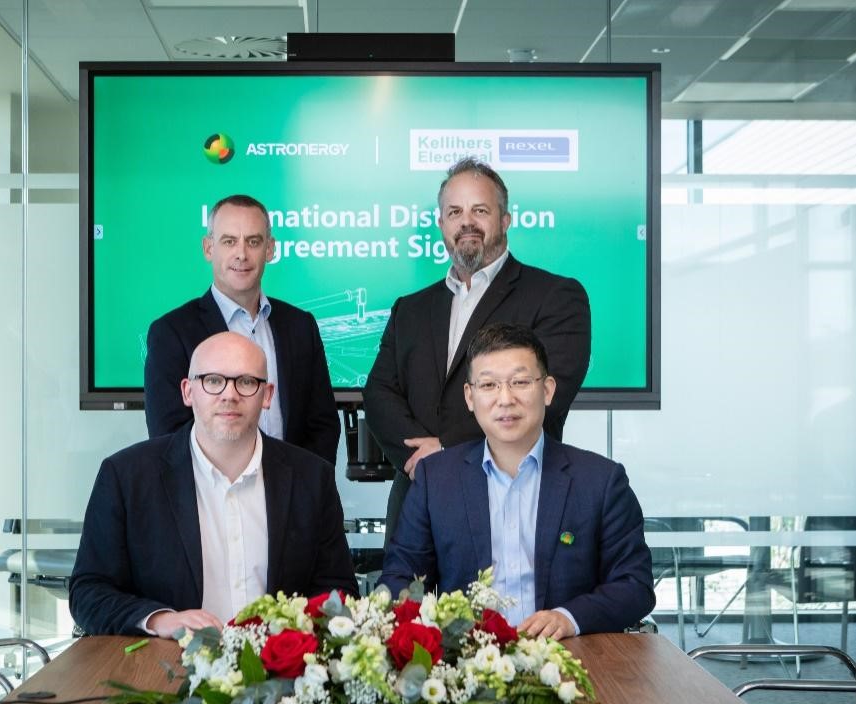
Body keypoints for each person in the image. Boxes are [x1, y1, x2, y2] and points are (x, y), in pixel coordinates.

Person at [71, 332, 357, 637]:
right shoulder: (126, 476)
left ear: (267, 395)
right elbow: (89, 592)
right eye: (213, 380)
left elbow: (338, 592)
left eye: (246, 382)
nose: (229, 395)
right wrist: (160, 620)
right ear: (188, 391)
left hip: (278, 663)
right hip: (166, 661)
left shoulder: (312, 478)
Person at [363, 158, 590, 539]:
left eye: (480, 210)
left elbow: (543, 396)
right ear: (441, 224)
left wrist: (446, 452)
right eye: (455, 212)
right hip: (417, 503)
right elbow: (379, 393)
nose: (466, 222)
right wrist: (423, 460)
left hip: (513, 499)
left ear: (505, 220)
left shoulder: (555, 297)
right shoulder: (410, 309)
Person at [378, 323, 652, 638]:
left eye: (520, 382)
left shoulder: (600, 481)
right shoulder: (436, 479)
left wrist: (568, 618)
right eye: (489, 385)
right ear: (470, 396)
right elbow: (399, 578)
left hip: (570, 655)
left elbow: (635, 585)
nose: (505, 399)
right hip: (467, 658)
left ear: (547, 390)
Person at [144, 194, 340, 464]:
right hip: (208, 489)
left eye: (253, 242)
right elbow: (169, 436)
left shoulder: (300, 326)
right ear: (208, 248)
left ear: (270, 249)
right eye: (229, 241)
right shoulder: (171, 333)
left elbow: (323, 424)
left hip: (291, 488)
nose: (242, 253)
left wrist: (305, 483)